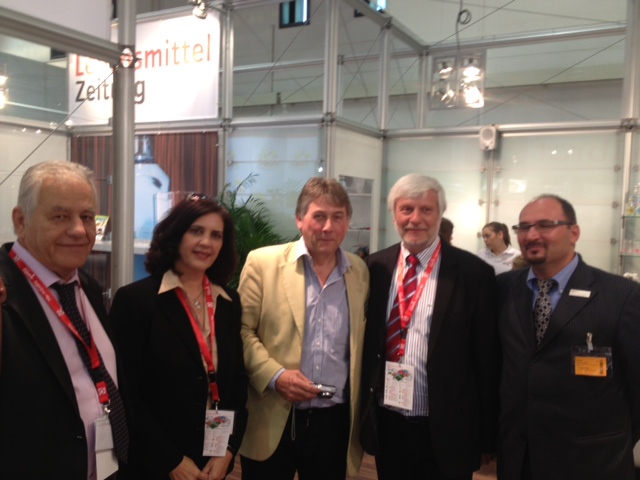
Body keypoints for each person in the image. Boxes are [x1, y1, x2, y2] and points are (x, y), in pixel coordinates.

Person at [360, 173, 500, 480]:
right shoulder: (375, 266)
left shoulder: (473, 273)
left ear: (440, 214)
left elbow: (487, 359)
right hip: (388, 422)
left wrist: (487, 434)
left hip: (448, 426)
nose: (415, 219)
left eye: (426, 209)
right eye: (406, 209)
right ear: (394, 214)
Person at [0, 160, 132, 480]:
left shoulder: (85, 285)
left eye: (86, 217)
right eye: (60, 216)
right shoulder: (4, 296)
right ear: (21, 220)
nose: (78, 230)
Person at [497, 194, 640, 480]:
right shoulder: (502, 290)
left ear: (574, 233)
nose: (532, 235)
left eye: (545, 225)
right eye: (524, 227)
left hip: (593, 462)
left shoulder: (621, 296)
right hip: (519, 459)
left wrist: (612, 441)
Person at [238, 177, 369, 480]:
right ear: (300, 218)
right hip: (274, 413)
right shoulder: (263, 263)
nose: (328, 227)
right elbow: (241, 331)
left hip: (334, 421)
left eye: (338, 217)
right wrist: (276, 376)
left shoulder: (359, 271)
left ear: (348, 222)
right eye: (319, 216)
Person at [109, 195, 248, 480]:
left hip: (211, 460)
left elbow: (236, 386)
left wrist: (226, 451)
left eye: (216, 235)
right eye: (196, 231)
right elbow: (126, 394)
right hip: (154, 464)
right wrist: (170, 460)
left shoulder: (228, 301)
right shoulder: (136, 301)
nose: (206, 242)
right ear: (175, 235)